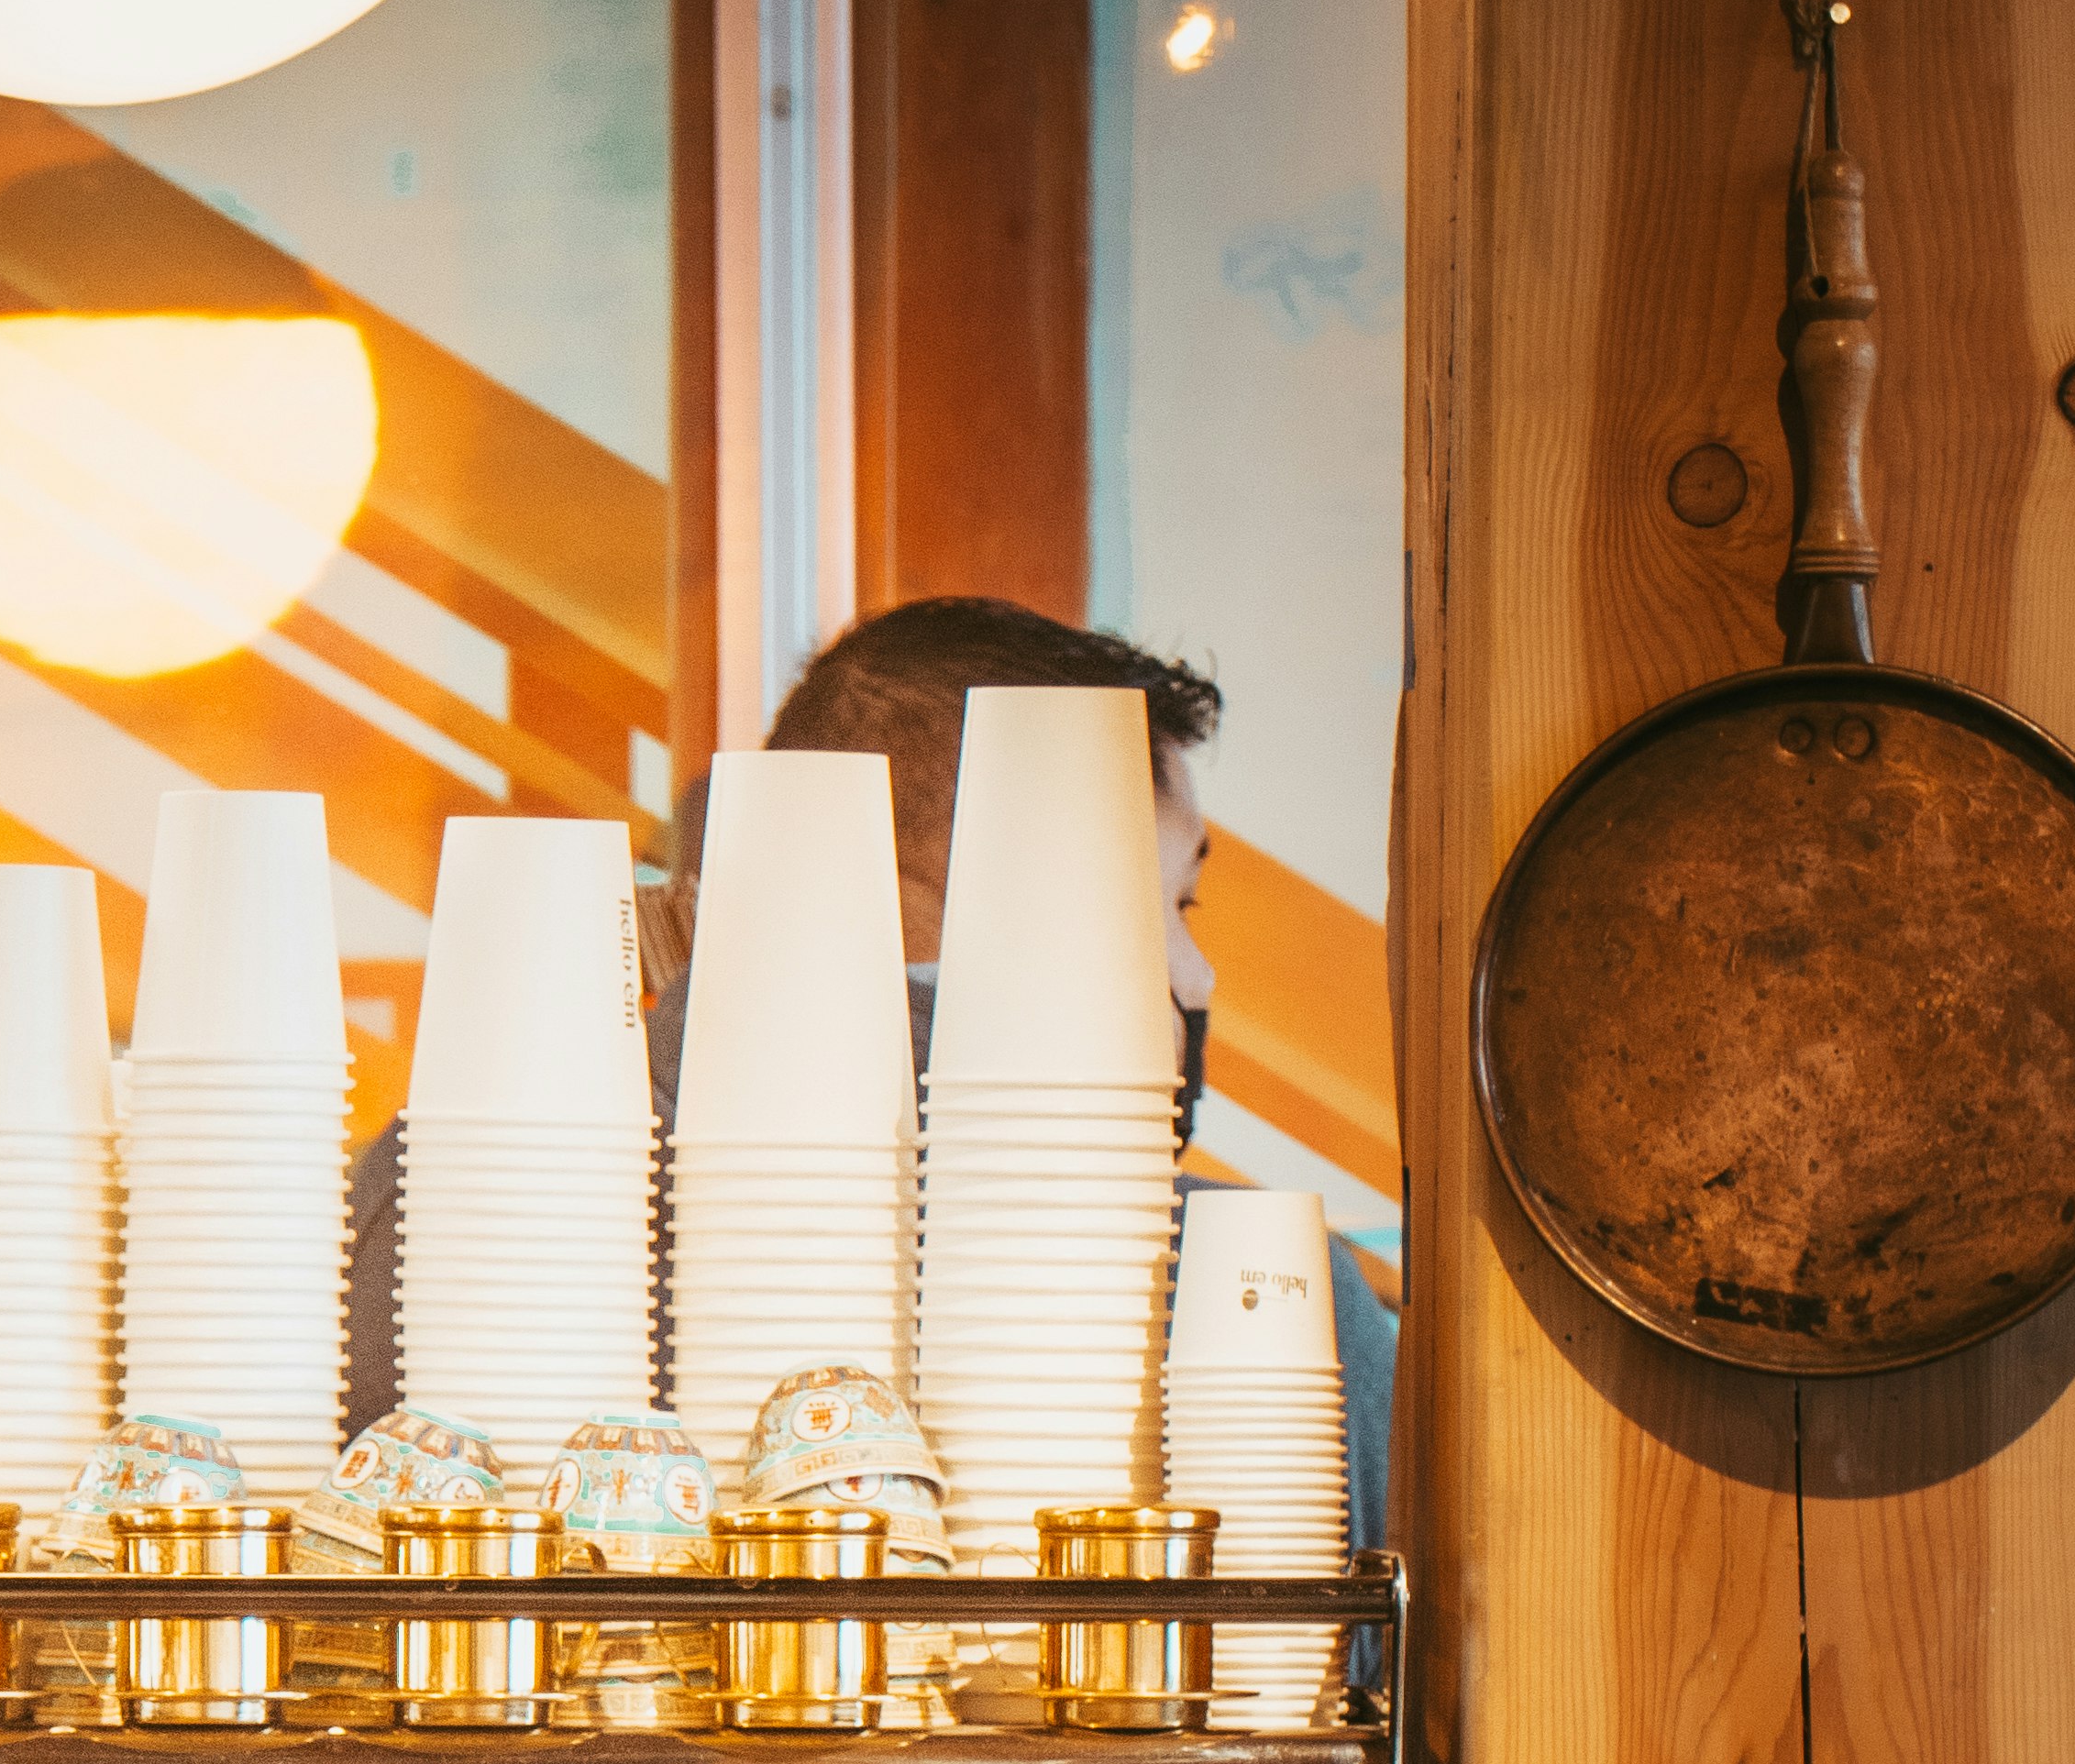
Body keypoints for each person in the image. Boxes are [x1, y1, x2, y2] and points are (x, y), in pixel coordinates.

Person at [344, 592, 1397, 1539]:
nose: (1196, 973)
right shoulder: (1243, 1294)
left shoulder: (417, 1197)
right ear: (1043, 888)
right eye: (1172, 900)